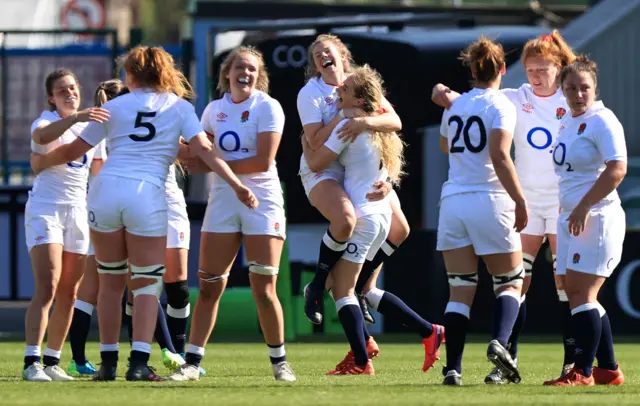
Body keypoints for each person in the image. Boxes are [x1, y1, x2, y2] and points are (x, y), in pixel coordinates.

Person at [31, 45, 256, 382]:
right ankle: (137, 363)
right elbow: (204, 152)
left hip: (105, 193)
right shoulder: (178, 107)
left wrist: (40, 160)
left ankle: (107, 364)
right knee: (146, 285)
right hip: (146, 196)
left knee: (109, 283)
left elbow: (75, 149)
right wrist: (237, 185)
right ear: (164, 72)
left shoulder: (116, 105)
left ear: (132, 73)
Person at [431, 30, 578, 383]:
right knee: (515, 285)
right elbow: (493, 144)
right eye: (529, 69)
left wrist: (451, 98)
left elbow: (453, 132)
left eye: (542, 69)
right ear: (506, 69)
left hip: (557, 204)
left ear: (559, 67)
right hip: (511, 202)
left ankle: (573, 366)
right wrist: (450, 97)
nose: (535, 76)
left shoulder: (574, 100)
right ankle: (504, 360)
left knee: (568, 289)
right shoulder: (511, 99)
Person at [298, 34, 444, 373]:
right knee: (358, 278)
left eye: (327, 51)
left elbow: (321, 156)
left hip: (362, 207)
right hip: (355, 197)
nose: (322, 57)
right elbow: (387, 129)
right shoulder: (321, 99)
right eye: (316, 54)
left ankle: (359, 355)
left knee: (345, 287)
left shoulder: (353, 115)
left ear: (343, 57)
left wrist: (332, 132)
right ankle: (422, 331)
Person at [32, 79, 190, 376]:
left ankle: (101, 361)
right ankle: (156, 356)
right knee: (135, 284)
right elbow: (64, 150)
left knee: (107, 287)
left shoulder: (131, 120)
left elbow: (88, 163)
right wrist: (40, 163)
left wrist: (40, 162)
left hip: (104, 206)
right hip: (128, 206)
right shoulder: (112, 123)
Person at [168, 46, 295, 382]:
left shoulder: (267, 107)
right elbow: (199, 158)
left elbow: (262, 161)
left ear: (259, 75)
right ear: (227, 73)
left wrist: (214, 163)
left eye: (252, 68)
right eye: (240, 67)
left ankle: (279, 362)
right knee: (209, 286)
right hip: (223, 199)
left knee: (264, 288)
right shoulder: (213, 110)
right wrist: (176, 151)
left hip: (262, 198)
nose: (246, 73)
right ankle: (192, 363)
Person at [301, 64, 406, 375]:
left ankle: (361, 361)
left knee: (344, 291)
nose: (338, 92)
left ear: (359, 101)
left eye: (344, 90)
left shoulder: (349, 122)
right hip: (380, 219)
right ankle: (362, 348)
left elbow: (318, 160)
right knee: (347, 286)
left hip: (363, 218)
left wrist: (306, 142)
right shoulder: (376, 126)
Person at [437, 36, 527, 386]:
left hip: (454, 200)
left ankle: (453, 370)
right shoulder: (502, 105)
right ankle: (500, 343)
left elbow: (447, 146)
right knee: (510, 283)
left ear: (472, 70)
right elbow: (500, 156)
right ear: (502, 69)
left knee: (460, 289)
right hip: (490, 199)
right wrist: (520, 200)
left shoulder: (457, 106)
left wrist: (452, 105)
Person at [22, 68, 110, 382]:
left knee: (70, 293)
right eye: (62, 90)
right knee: (47, 285)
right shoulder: (46, 121)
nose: (70, 94)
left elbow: (98, 172)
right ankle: (31, 360)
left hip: (78, 210)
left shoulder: (94, 129)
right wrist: (75, 119)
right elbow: (40, 138)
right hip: (47, 208)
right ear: (51, 97)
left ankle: (52, 361)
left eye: (72, 88)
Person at [544, 56, 625, 386]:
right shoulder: (567, 120)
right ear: (562, 89)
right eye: (571, 87)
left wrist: (582, 207)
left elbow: (617, 169)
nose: (578, 94)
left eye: (584, 88)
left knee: (581, 294)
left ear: (595, 88)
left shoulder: (602, 120)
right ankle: (608, 368)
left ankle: (583, 372)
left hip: (597, 217)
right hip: (571, 219)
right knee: (575, 292)